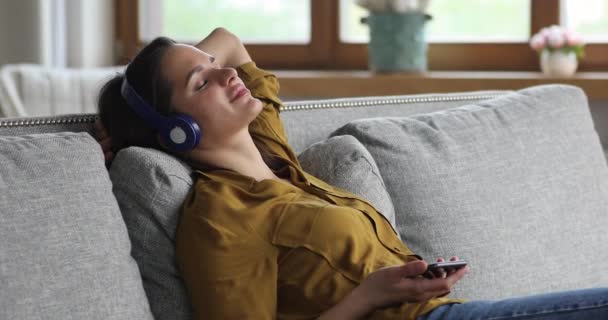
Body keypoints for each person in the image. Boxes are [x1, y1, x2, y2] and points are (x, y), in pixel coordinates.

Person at [96, 28, 608, 320]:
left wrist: (139, 101)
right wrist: (371, 295)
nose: (228, 74)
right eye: (202, 81)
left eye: (214, 65)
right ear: (178, 131)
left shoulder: (272, 151)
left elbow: (228, 42)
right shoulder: (218, 221)